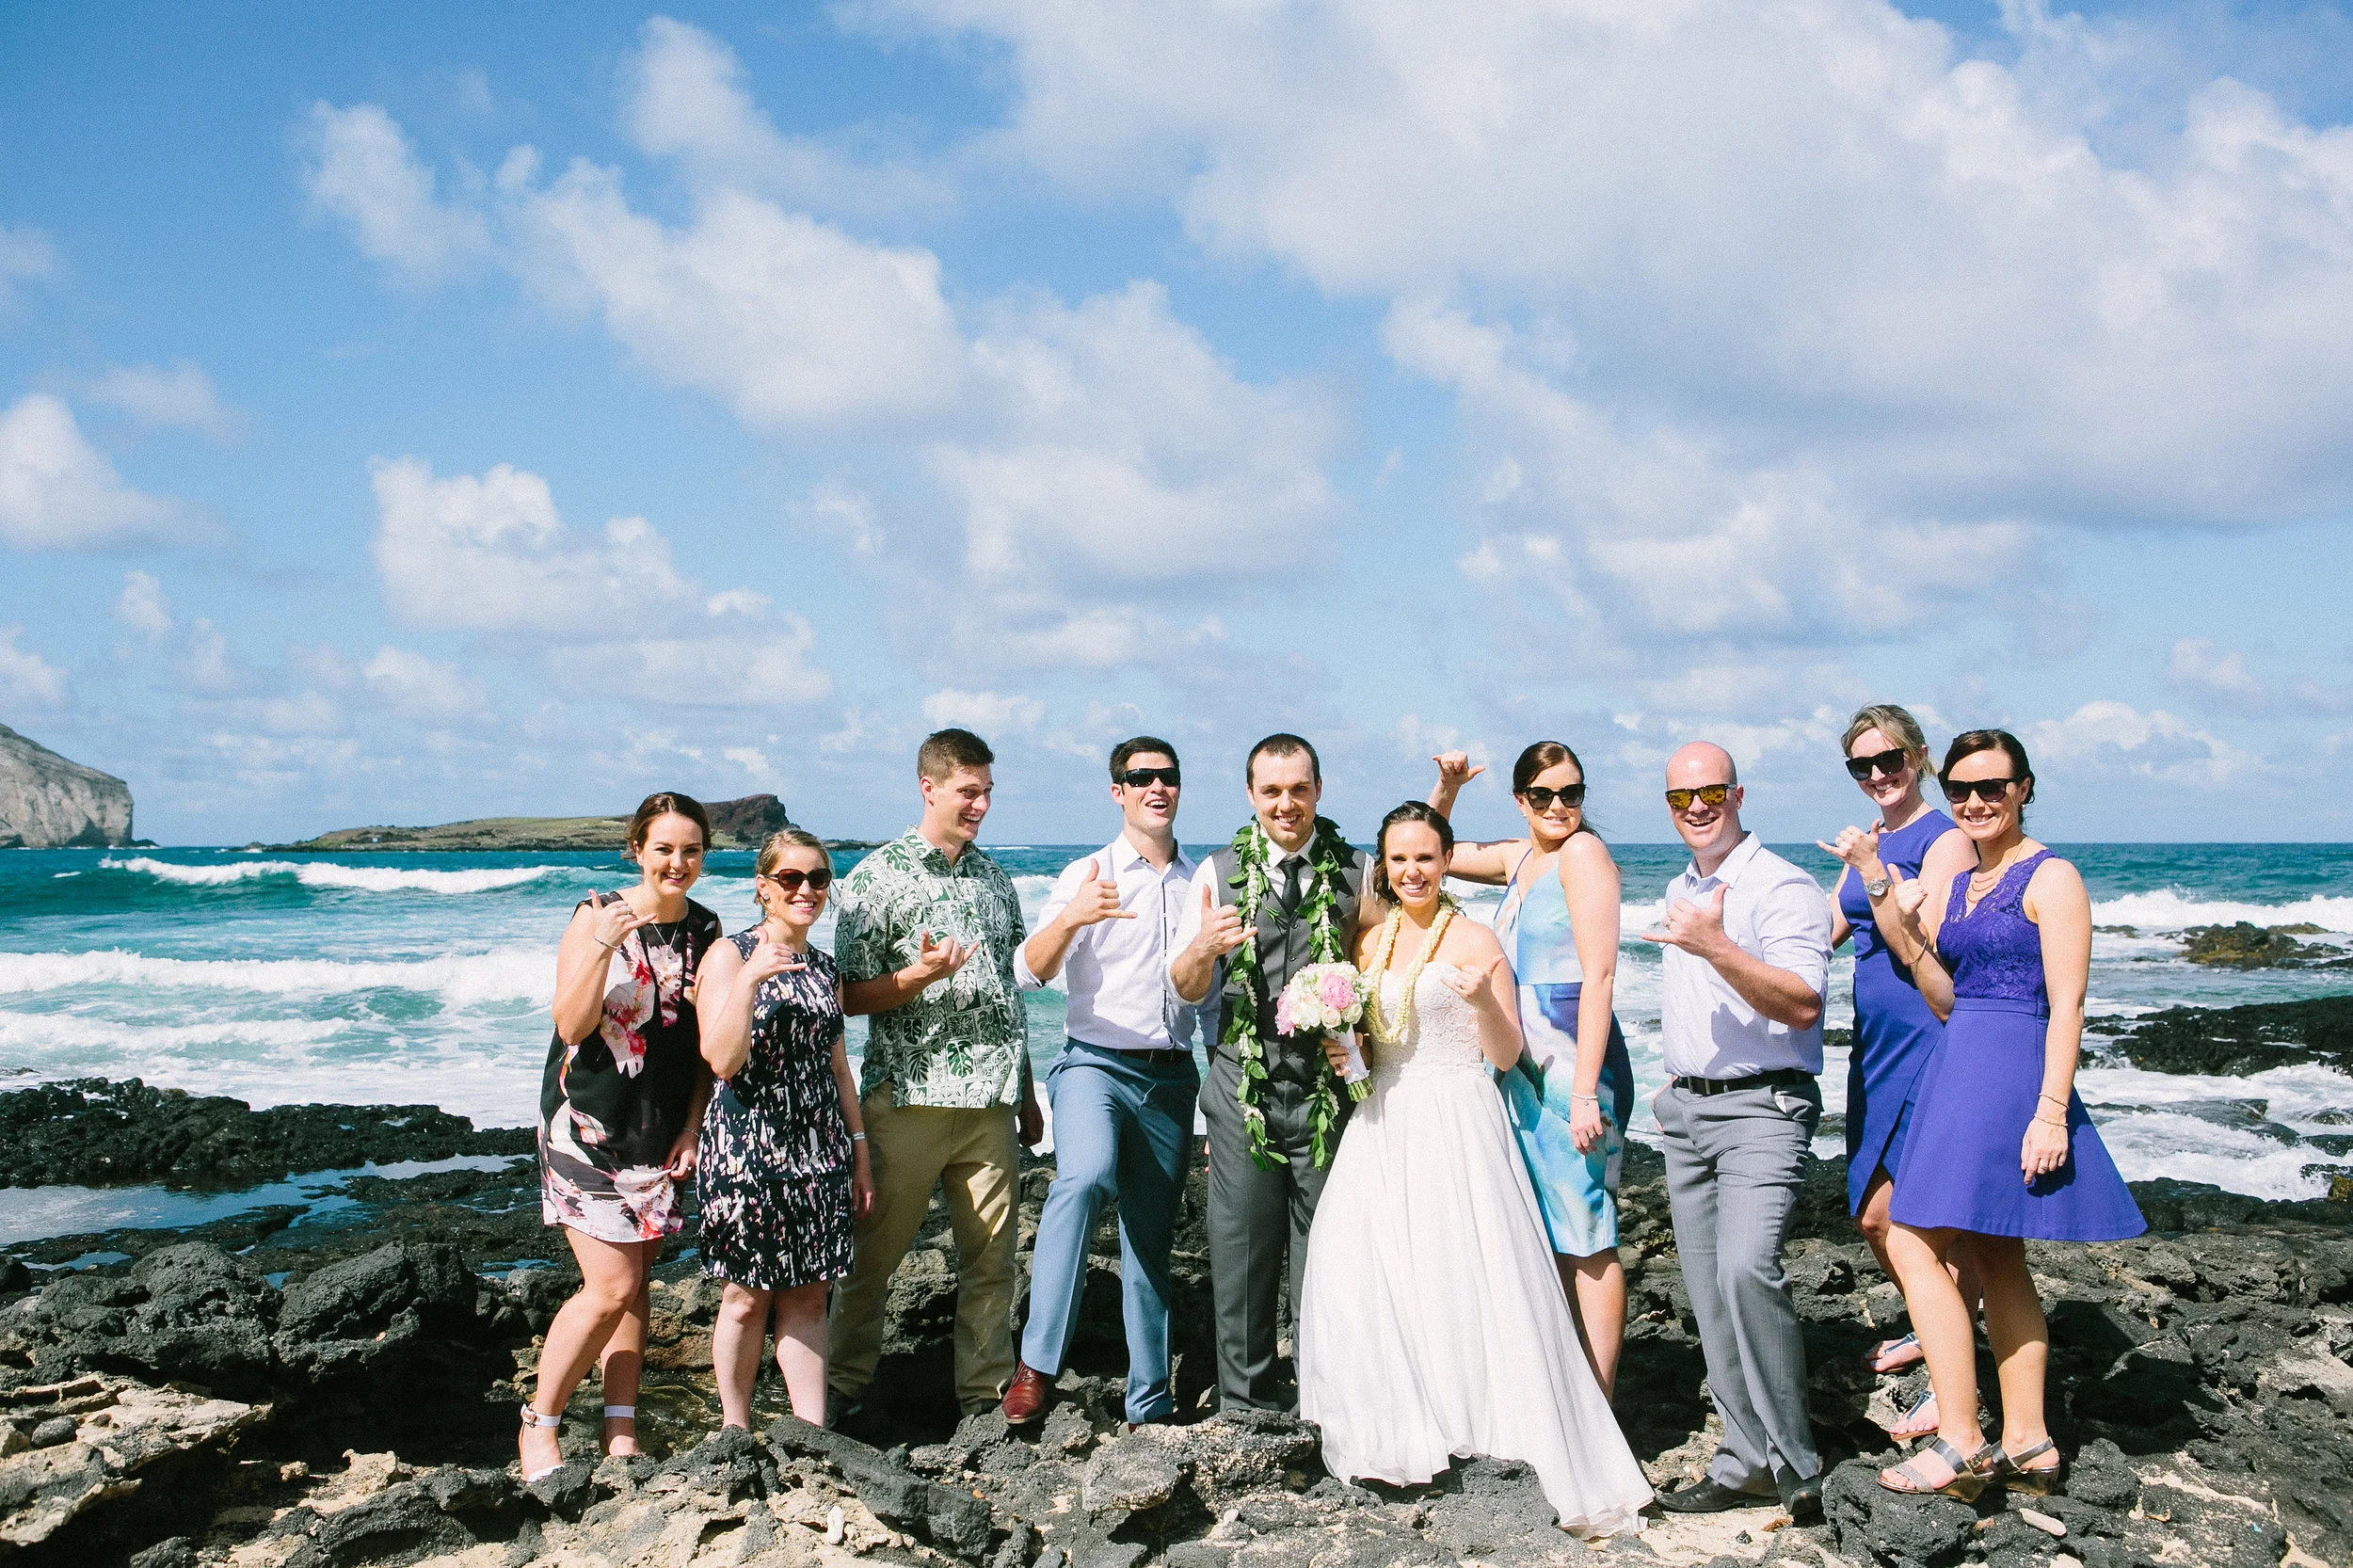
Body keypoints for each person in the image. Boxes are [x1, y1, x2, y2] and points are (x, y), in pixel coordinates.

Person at [1298, 803, 1653, 1535]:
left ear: (1446, 858)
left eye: (1426, 857)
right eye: (1398, 861)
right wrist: (1346, 1054)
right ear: (1384, 868)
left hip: (1460, 1119)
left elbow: (1503, 1052)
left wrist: (1486, 1001)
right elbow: (1372, 1050)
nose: (1412, 872)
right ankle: (1399, 1433)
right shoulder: (1369, 942)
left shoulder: (1477, 937)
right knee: (1376, 1275)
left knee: (1463, 1274)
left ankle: (1486, 1436)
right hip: (1385, 1122)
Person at [1873, 730, 2145, 1499]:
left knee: (1912, 1236)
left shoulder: (2052, 876)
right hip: (1961, 1058)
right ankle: (2027, 1441)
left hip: (2012, 1070)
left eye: (1993, 787)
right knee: (1997, 1254)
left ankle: (1960, 1438)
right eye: (1960, 789)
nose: (1975, 802)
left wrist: (2051, 1111)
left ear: (2025, 787)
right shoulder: (1964, 878)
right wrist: (1906, 916)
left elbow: (2070, 1003)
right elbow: (1941, 987)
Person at [1638, 744, 1832, 1520]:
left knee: (1750, 1271)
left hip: (1762, 1109)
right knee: (1711, 1296)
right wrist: (1670, 1094)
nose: (1695, 805)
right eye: (1680, 795)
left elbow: (1804, 1004)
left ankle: (1798, 1466)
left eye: (1710, 790)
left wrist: (1715, 945)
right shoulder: (1683, 887)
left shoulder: (1782, 886)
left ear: (1738, 793)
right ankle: (1744, 1461)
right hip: (1686, 1113)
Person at [829, 728, 1044, 1419]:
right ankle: (838, 1391)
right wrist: (915, 978)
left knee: (992, 1264)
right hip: (909, 1096)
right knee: (873, 1262)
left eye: (987, 792)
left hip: (991, 1102)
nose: (981, 804)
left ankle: (982, 1399)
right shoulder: (875, 877)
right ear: (929, 787)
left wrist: (1029, 1091)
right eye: (968, 792)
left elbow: (1006, 993)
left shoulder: (995, 879)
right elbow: (844, 997)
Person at [1170, 732, 1379, 1412]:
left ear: (1318, 789)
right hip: (1242, 1088)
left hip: (1329, 1093)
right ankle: (1248, 1410)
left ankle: (1331, 1405)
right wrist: (1204, 948)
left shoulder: (1359, 871)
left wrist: (1367, 1045)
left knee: (1331, 1256)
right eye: (1271, 791)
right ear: (1251, 795)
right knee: (1241, 1254)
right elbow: (1182, 986)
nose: (1286, 804)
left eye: (1298, 789)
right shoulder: (1215, 872)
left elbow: (1382, 969)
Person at [1001, 739, 1201, 1430]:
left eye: (1166, 777)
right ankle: (1036, 1365)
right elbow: (1029, 971)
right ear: (1117, 791)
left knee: (1150, 1236)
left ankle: (1149, 1402)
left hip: (1173, 1078)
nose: (1155, 787)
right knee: (1083, 1177)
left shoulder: (1200, 881)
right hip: (1093, 1065)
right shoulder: (1086, 873)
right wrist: (1071, 916)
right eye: (1139, 777)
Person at [1427, 744, 1636, 1399]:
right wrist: (1447, 788)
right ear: (1521, 801)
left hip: (1577, 1063)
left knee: (1587, 1232)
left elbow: (1600, 976)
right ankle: (1562, 1389)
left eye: (1570, 793)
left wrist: (1582, 1094)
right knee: (1548, 1228)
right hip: (1522, 1062)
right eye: (1542, 796)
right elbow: (1426, 851)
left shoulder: (1584, 855)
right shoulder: (1522, 855)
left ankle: (1598, 1403)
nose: (1558, 808)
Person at [522, 792, 720, 1480]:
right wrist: (608, 943)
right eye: (663, 847)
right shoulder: (596, 911)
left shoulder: (707, 928)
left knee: (634, 1288)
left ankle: (620, 1434)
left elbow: (700, 1047)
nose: (677, 862)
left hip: (656, 1135)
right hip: (583, 1128)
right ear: (637, 849)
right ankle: (539, 1423)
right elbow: (572, 1025)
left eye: (690, 850)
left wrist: (693, 1128)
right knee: (608, 1286)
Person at [1813, 704, 1977, 1439]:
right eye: (1862, 766)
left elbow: (1925, 947)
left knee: (1915, 1217)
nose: (1879, 775)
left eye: (1891, 760)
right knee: (1871, 1212)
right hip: (1874, 1043)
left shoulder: (1946, 840)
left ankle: (1954, 1377)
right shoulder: (1874, 841)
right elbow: (1820, 930)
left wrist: (1874, 873)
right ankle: (1936, 1320)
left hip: (1930, 1037)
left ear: (1920, 758)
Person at [695, 827, 873, 1430]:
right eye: (790, 878)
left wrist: (860, 1153)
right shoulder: (727, 955)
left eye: (817, 878)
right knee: (746, 1298)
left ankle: (812, 1431)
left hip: (820, 1149)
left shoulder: (825, 967)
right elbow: (720, 1060)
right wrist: (749, 981)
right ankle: (735, 1428)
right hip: (747, 1150)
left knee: (808, 1294)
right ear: (763, 888)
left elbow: (839, 1068)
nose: (805, 890)